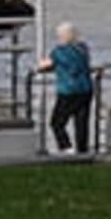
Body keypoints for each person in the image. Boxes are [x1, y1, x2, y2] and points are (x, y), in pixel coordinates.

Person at [38, 21, 93, 155]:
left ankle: (66, 147)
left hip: (68, 91)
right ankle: (82, 150)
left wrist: (42, 64)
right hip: (86, 89)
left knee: (56, 122)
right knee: (81, 123)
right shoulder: (83, 49)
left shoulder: (58, 52)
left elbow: (44, 65)